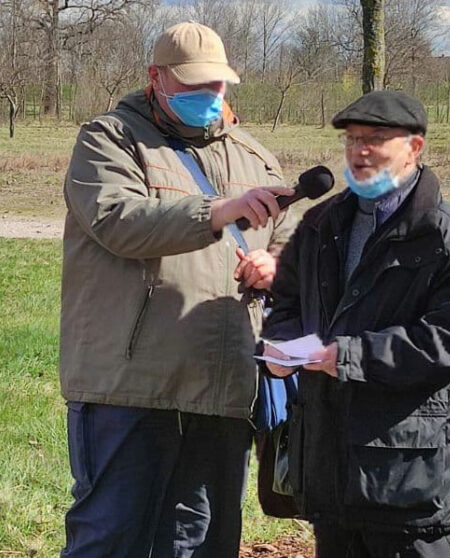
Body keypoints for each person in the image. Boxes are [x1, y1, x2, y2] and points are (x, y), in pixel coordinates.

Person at [59, 21, 295, 557]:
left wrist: (275, 267)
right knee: (111, 538)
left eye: (217, 85)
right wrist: (217, 211)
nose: (208, 96)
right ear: (155, 78)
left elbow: (287, 243)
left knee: (202, 543)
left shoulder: (255, 157)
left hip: (223, 385)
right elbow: (118, 220)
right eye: (193, 85)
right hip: (129, 385)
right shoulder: (108, 139)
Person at [261, 90, 450, 558]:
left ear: (414, 148)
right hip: (329, 468)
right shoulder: (322, 224)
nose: (360, 151)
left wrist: (348, 357)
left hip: (406, 476)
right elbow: (287, 301)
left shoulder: (449, 240)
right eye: (352, 139)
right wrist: (283, 349)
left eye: (376, 138)